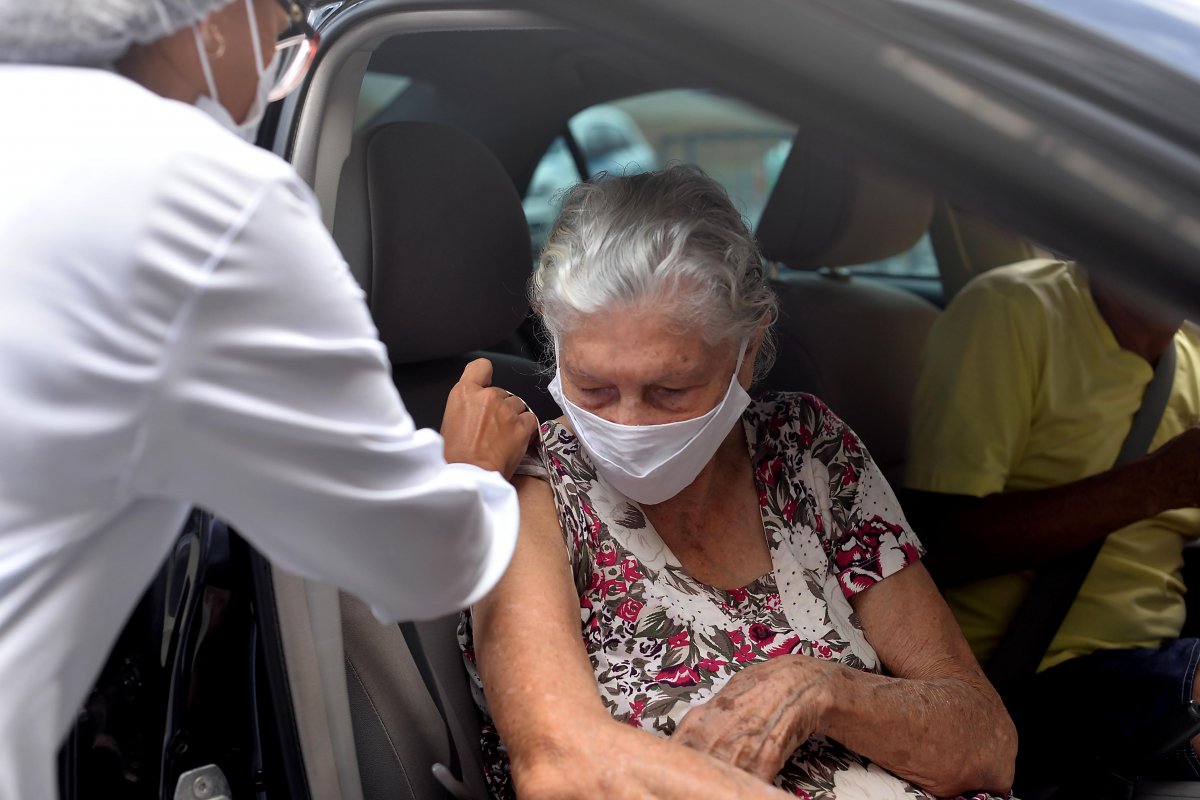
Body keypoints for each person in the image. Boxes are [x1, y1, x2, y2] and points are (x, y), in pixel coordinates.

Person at [0, 2, 537, 797]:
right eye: (281, 20)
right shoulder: (197, 188)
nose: (278, 55)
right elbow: (420, 557)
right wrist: (480, 475)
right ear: (213, 20)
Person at [458, 166, 1017, 799]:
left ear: (748, 351)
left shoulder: (808, 451)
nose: (628, 423)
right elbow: (563, 768)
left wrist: (822, 688)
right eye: (593, 388)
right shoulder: (529, 482)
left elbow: (986, 746)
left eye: (671, 390)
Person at [903, 258, 1200, 784]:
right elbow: (933, 545)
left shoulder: (1193, 358)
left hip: (1155, 659)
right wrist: (1156, 484)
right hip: (1029, 677)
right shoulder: (1011, 310)